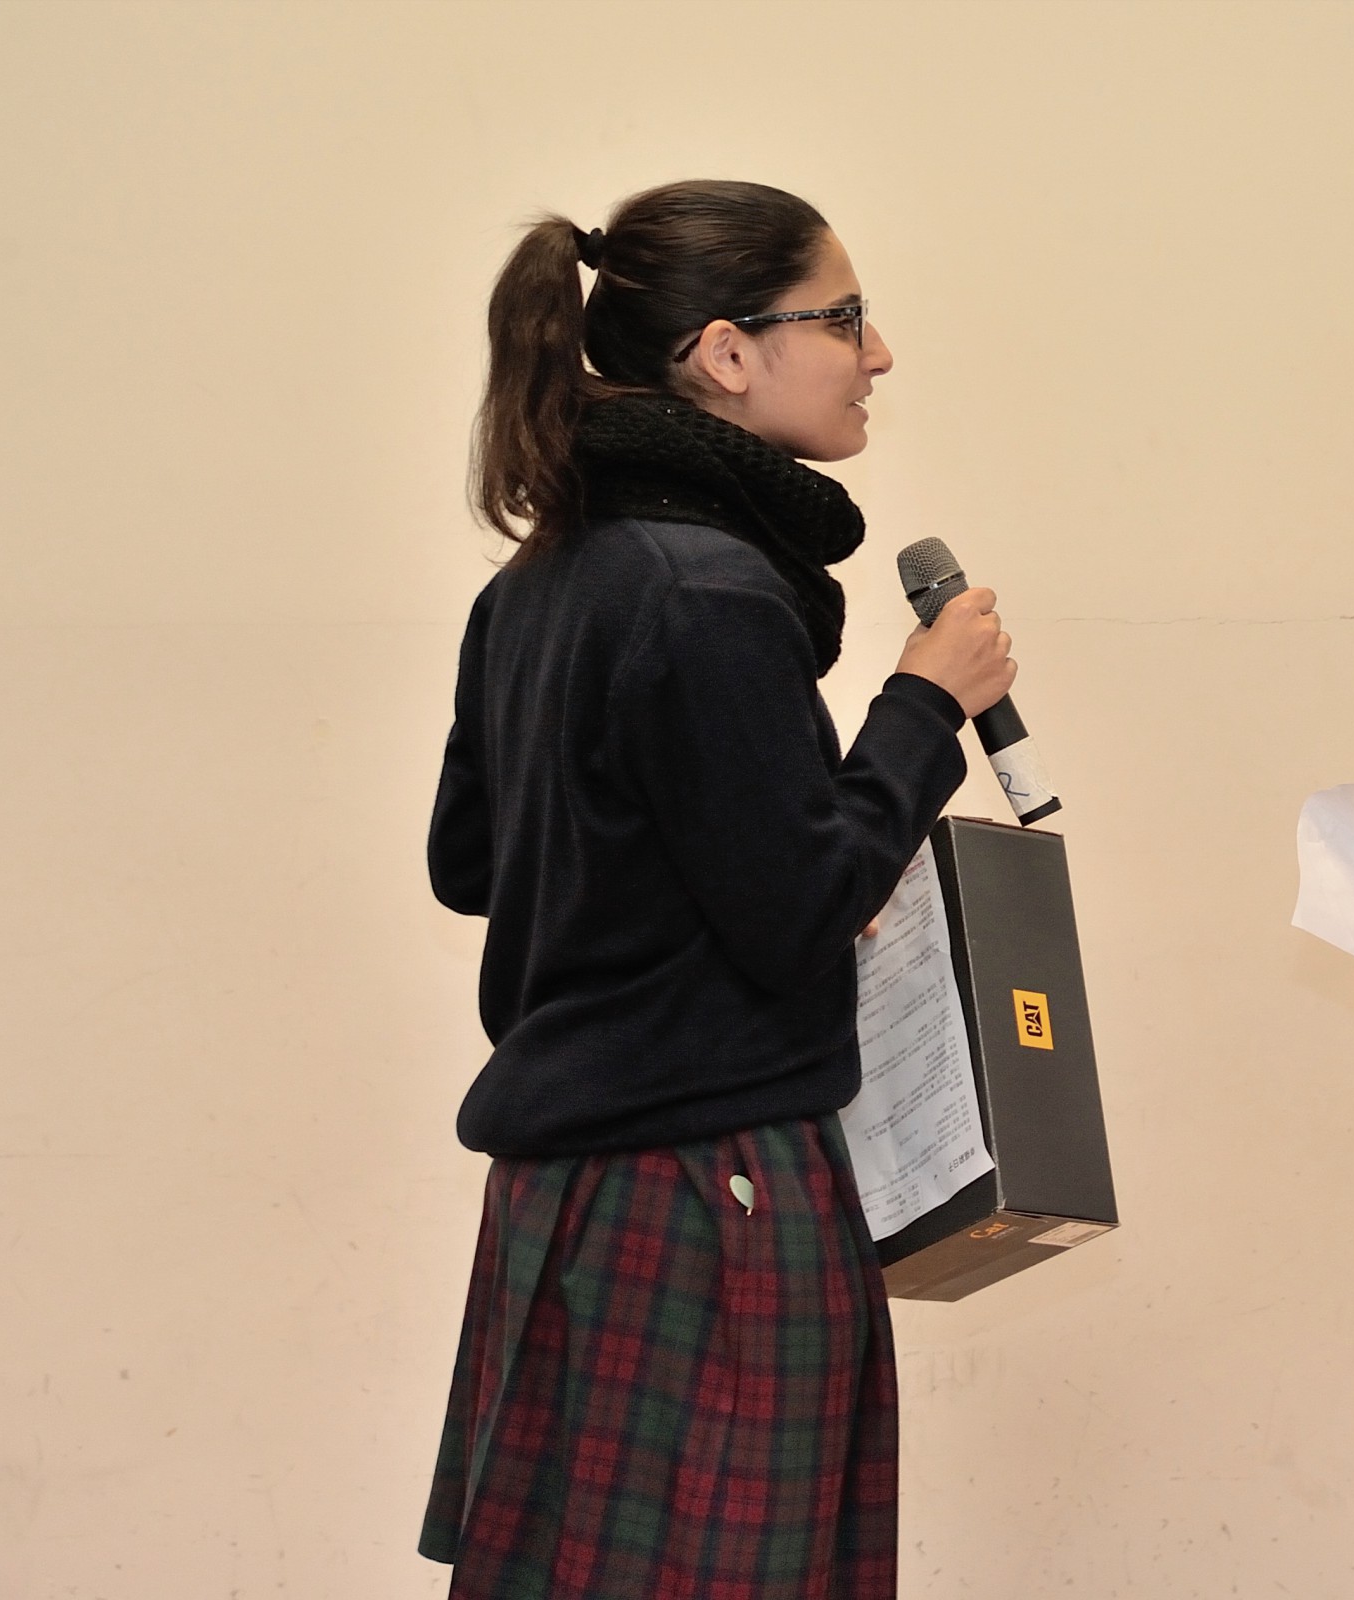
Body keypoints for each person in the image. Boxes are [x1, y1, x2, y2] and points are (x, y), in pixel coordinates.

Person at [417, 180, 1014, 1599]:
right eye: (846, 319)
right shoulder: (706, 592)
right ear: (728, 352)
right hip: (707, 1194)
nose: (879, 355)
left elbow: (471, 861)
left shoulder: (540, 583)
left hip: (569, 1193)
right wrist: (924, 708)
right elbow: (798, 910)